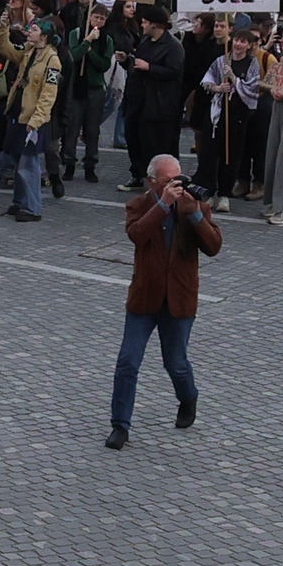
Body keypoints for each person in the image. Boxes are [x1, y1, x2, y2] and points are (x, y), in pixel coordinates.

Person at [110, 155, 217, 450]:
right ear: (151, 182)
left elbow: (213, 247)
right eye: (168, 181)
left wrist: (195, 215)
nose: (175, 186)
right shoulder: (139, 205)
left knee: (176, 363)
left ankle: (188, 397)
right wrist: (162, 206)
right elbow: (137, 235)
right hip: (145, 298)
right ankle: (120, 425)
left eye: (178, 179)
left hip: (179, 298)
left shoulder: (195, 205)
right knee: (128, 362)